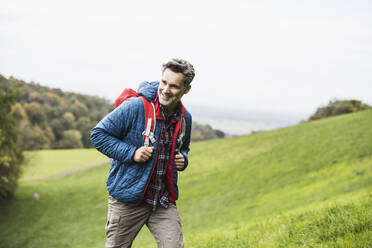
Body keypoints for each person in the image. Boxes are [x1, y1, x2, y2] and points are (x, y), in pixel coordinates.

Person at [90, 58, 194, 248]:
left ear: (186, 89)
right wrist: (132, 153)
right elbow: (98, 135)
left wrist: (183, 159)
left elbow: (183, 147)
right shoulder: (136, 106)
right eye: (163, 82)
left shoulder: (185, 118)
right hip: (128, 199)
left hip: (162, 200)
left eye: (173, 86)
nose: (165, 89)